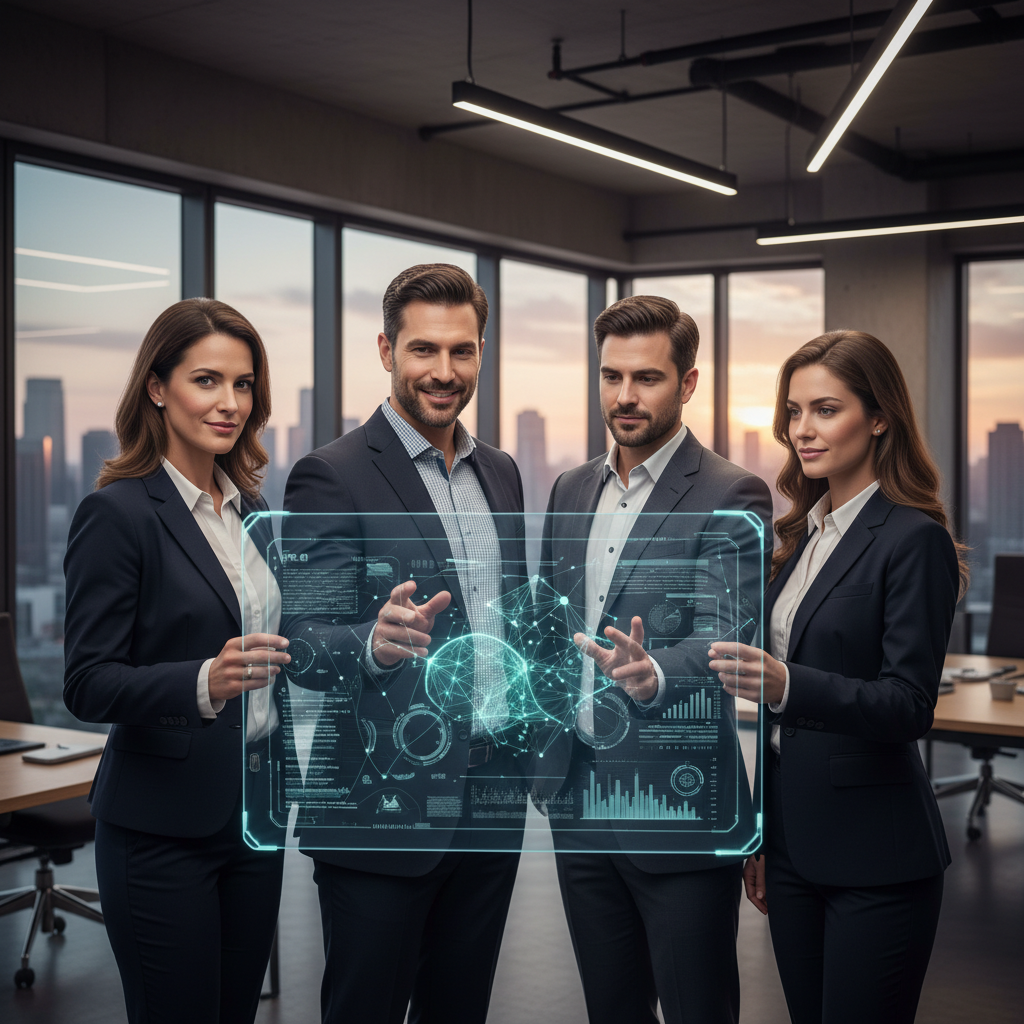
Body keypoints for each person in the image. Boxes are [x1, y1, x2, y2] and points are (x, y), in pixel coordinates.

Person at [282, 263, 528, 1024]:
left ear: (482, 353)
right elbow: (301, 638)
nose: (445, 372)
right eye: (424, 350)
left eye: (463, 351)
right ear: (386, 349)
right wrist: (371, 644)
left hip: (490, 800)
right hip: (378, 811)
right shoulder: (330, 474)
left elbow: (505, 620)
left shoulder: (503, 473)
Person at [710, 330, 967, 1024]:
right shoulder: (799, 538)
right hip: (792, 847)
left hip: (878, 857)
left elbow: (909, 705)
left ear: (879, 416)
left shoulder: (914, 539)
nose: (802, 431)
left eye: (825, 409)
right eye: (793, 412)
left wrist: (788, 685)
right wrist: (761, 835)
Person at [539, 294, 772, 1024]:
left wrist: (658, 671)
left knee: (699, 1007)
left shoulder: (732, 492)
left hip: (677, 805)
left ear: (689, 382)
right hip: (578, 797)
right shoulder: (571, 488)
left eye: (646, 378)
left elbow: (730, 635)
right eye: (611, 377)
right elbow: (553, 624)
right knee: (612, 1007)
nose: (625, 396)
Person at [63, 298, 291, 1024]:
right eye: (207, 381)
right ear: (157, 388)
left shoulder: (252, 509)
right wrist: (202, 681)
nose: (229, 403)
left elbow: (286, 645)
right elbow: (87, 680)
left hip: (253, 814)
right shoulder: (119, 513)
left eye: (244, 385)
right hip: (161, 832)